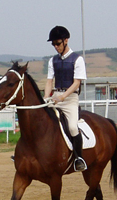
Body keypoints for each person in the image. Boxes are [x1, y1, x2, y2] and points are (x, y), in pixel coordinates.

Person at [44, 26, 87, 172]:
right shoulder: (52, 61)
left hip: (70, 99)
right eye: (54, 44)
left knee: (73, 127)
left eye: (58, 43)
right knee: (38, 119)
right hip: (55, 96)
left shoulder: (77, 59)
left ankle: (78, 158)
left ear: (66, 40)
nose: (56, 47)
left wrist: (63, 96)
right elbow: (49, 81)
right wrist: (46, 98)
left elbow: (77, 83)